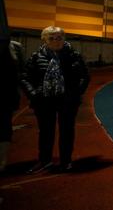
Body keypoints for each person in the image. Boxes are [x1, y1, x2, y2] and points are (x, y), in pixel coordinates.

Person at [20, 26, 89, 173]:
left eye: (59, 38)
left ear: (64, 39)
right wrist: (33, 94)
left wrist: (76, 94)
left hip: (68, 100)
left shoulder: (74, 55)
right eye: (51, 38)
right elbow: (25, 78)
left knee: (67, 131)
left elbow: (84, 77)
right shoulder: (36, 56)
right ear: (44, 40)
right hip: (44, 100)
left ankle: (66, 161)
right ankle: (45, 161)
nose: (56, 41)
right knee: (45, 131)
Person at [0, 39, 24, 172]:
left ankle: (1, 163)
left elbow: (21, 72)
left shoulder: (15, 47)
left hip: (6, 96)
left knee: (4, 127)